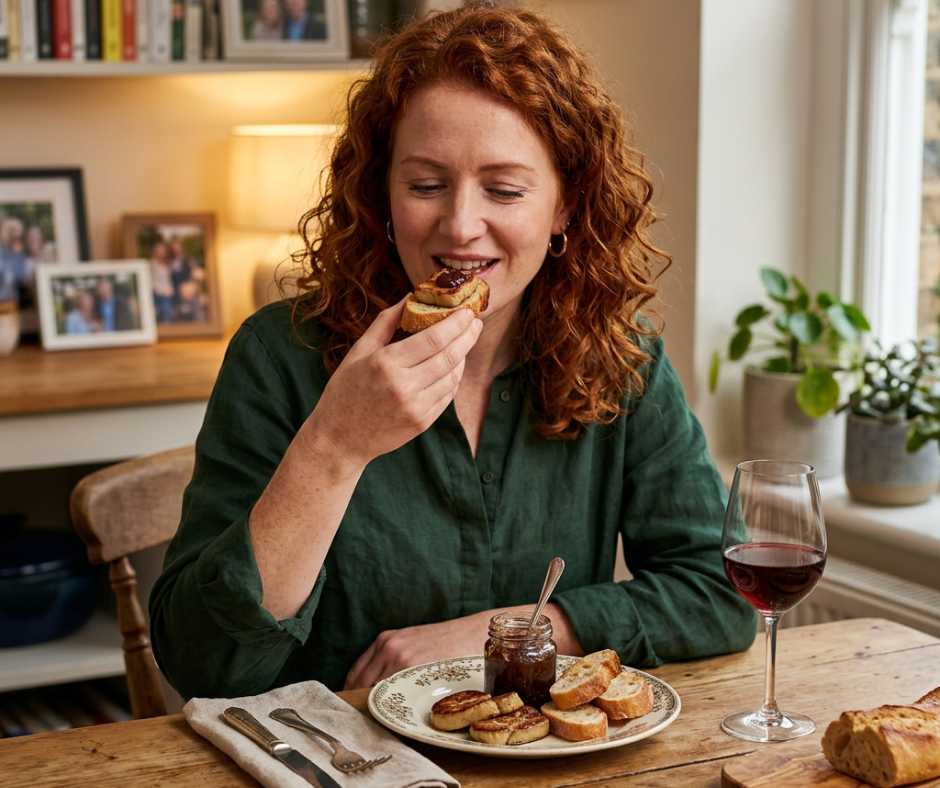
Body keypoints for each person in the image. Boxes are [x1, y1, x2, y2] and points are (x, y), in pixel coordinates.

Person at [150, 3, 756, 701]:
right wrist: (335, 445)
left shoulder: (621, 356)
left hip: (544, 751)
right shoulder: (278, 356)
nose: (461, 225)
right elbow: (203, 663)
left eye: (504, 189)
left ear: (565, 205)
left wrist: (512, 631)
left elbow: (722, 592)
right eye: (425, 186)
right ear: (382, 193)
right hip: (331, 751)